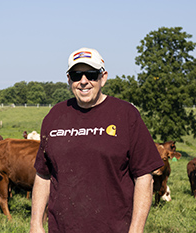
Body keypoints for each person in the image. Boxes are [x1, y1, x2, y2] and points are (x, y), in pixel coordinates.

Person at [29, 48, 164, 233]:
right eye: (77, 75)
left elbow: (144, 176)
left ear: (103, 77)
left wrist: (136, 229)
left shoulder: (125, 115)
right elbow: (43, 175)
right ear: (69, 79)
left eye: (91, 74)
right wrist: (35, 224)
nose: (83, 81)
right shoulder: (54, 117)